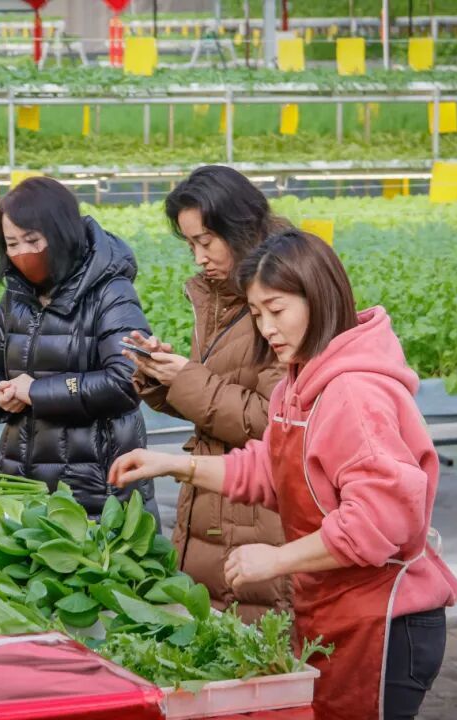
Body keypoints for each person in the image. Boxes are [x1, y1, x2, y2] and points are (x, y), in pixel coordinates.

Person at [109, 228, 457, 720]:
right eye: (256, 314)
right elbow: (268, 470)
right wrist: (173, 464)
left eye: (277, 310)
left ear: (319, 298)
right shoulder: (297, 385)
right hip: (333, 611)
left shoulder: (354, 394)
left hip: (384, 623)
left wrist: (275, 560)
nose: (268, 327)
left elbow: (379, 522)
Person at [122, 165, 290, 621]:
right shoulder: (222, 295)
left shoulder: (284, 296)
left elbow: (274, 423)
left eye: (205, 242)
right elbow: (217, 394)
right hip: (218, 511)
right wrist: (162, 377)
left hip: (258, 519)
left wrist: (187, 378)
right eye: (190, 244)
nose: (198, 257)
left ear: (240, 228)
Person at [0, 176, 155, 520]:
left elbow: (126, 380)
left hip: (94, 492)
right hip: (22, 486)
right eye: (11, 243)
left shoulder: (110, 291)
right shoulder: (16, 298)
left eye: (32, 240)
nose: (21, 253)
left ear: (61, 233)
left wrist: (38, 392)